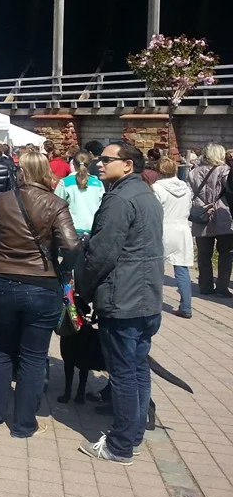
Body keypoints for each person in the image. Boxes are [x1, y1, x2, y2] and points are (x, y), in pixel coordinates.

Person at [0, 152, 79, 438]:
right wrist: (63, 269)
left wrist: (8, 253)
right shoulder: (56, 204)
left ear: (20, 172)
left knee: (1, 348)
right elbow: (72, 246)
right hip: (41, 282)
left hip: (2, 279)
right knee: (34, 356)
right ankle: (24, 424)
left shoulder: (0, 201)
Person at [77, 142, 163, 465]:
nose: (99, 163)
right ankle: (133, 434)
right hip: (145, 298)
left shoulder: (120, 198)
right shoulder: (146, 195)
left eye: (106, 159)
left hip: (124, 299)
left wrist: (83, 290)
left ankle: (120, 444)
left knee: (125, 373)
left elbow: (100, 254)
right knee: (138, 368)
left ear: (127, 165)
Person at [187, 143, 233, 297]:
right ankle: (222, 287)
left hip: (201, 216)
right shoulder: (225, 171)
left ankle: (205, 286)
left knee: (203, 254)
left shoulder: (193, 172)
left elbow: (190, 194)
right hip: (223, 215)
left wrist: (202, 205)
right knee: (226, 253)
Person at [152, 157, 194, 319]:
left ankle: (154, 303)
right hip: (182, 229)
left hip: (163, 228)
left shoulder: (156, 188)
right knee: (182, 269)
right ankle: (186, 306)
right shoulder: (185, 187)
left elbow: (154, 211)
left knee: (156, 268)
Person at [54, 151, 105, 235]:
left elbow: (56, 205)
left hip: (70, 229)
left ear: (73, 163)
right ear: (90, 164)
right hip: (93, 229)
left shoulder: (64, 182)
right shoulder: (98, 184)